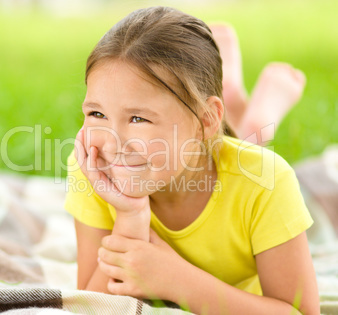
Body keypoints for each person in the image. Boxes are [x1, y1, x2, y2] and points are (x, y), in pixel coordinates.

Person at [64, 6, 319, 314]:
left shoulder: (267, 179)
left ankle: (257, 117)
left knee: (249, 151)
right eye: (97, 114)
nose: (113, 143)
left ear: (206, 118)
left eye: (138, 118)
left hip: (226, 149)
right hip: (207, 134)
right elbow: (89, 307)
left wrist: (179, 281)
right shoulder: (95, 167)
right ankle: (235, 100)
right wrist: (130, 217)